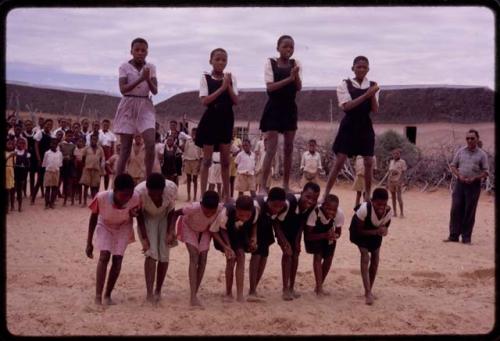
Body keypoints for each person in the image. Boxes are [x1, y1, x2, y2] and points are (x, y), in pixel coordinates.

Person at [323, 56, 380, 202]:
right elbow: (347, 107)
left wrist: (372, 95)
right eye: (358, 67)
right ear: (352, 68)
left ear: (368, 69)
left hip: (365, 125)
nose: (361, 69)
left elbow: (375, 110)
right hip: (349, 125)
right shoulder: (345, 84)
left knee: (368, 161)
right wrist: (367, 95)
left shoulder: (373, 85)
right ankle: (325, 194)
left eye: (364, 67)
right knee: (340, 160)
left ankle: (367, 195)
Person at [85, 173, 147, 305]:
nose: (127, 198)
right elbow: (93, 219)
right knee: (104, 256)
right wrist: (88, 242)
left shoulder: (135, 198)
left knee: (118, 259)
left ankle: (107, 295)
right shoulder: (101, 198)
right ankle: (98, 296)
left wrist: (145, 239)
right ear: (115, 190)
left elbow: (140, 217)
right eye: (124, 195)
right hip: (105, 224)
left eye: (129, 194)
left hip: (124, 225)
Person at [258, 35, 302, 194]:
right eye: (285, 47)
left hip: (290, 107)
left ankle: (285, 185)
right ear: (278, 48)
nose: (288, 50)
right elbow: (270, 88)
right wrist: (289, 78)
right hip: (274, 107)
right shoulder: (271, 63)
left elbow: (299, 87)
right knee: (271, 148)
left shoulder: (295, 64)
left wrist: (295, 76)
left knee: (289, 147)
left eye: (291, 47)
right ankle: (263, 186)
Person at [171, 190, 229, 307]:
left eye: (211, 212)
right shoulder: (193, 208)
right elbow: (176, 213)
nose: (208, 214)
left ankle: (195, 291)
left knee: (203, 260)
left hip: (206, 231)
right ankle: (193, 297)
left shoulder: (220, 208)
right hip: (189, 228)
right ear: (201, 205)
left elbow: (229, 205)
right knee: (194, 257)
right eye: (206, 211)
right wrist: (171, 231)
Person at [195, 48, 238, 203]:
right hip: (211, 118)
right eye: (217, 59)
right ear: (211, 61)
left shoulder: (230, 78)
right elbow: (205, 101)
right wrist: (222, 87)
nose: (221, 62)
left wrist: (228, 86)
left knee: (225, 161)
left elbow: (236, 100)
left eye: (224, 60)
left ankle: (227, 196)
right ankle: (203, 195)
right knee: (207, 160)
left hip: (226, 119)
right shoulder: (205, 77)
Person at [114, 37, 158, 179]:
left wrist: (147, 79)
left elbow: (155, 91)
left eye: (143, 50)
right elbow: (123, 89)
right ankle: (118, 182)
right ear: (131, 51)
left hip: (145, 105)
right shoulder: (124, 67)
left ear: (147, 52)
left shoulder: (151, 67)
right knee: (125, 149)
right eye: (137, 50)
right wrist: (140, 79)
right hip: (128, 105)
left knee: (151, 144)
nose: (140, 53)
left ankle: (148, 180)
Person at [135, 173, 178, 303]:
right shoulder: (139, 192)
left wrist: (170, 230)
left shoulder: (171, 188)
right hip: (147, 218)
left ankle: (158, 290)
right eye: (151, 193)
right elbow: (139, 216)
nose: (154, 196)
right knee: (151, 253)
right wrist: (144, 238)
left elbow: (171, 210)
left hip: (164, 217)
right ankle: (149, 293)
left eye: (157, 194)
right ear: (147, 189)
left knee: (164, 254)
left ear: (163, 190)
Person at [445, 129, 489, 244]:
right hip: (460, 184)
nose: (469, 140)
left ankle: (466, 238)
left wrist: (475, 178)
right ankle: (453, 236)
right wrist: (459, 176)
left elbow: (486, 172)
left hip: (473, 186)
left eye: (472, 138)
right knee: (455, 209)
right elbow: (453, 166)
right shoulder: (460, 152)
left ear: (477, 139)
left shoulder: (482, 155)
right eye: (467, 138)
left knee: (469, 211)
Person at [349, 188, 392, 305]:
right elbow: (358, 231)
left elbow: (385, 227)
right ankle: (367, 292)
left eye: (384, 204)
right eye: (378, 204)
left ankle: (369, 289)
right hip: (359, 232)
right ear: (372, 201)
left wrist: (384, 231)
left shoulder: (388, 212)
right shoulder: (364, 209)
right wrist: (376, 231)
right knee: (365, 257)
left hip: (375, 232)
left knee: (376, 258)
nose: (381, 207)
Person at [212, 195, 258, 302]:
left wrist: (254, 237)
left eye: (247, 215)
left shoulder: (255, 212)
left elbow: (254, 223)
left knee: (241, 257)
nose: (244, 218)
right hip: (224, 234)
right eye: (241, 214)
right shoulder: (226, 212)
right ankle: (228, 293)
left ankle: (240, 294)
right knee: (231, 259)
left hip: (240, 233)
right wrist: (227, 247)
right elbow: (218, 230)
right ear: (236, 209)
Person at [248, 187, 288, 301]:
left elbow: (275, 220)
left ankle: (254, 287)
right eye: (274, 206)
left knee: (264, 256)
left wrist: (282, 240)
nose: (277, 209)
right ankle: (251, 290)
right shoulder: (257, 205)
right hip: (253, 227)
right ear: (268, 201)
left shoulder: (282, 207)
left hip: (266, 228)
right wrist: (254, 237)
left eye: (280, 206)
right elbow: (253, 222)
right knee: (256, 256)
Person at [304, 194, 344, 296]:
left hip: (328, 236)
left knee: (328, 259)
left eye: (333, 210)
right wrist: (324, 235)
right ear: (323, 206)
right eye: (327, 208)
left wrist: (335, 235)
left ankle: (319, 285)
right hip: (315, 235)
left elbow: (339, 231)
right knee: (318, 257)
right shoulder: (315, 213)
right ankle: (319, 288)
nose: (331, 212)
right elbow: (308, 235)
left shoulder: (339, 214)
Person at [32, 119, 54, 203]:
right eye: (47, 124)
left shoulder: (51, 134)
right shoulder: (40, 133)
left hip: (49, 159)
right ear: (44, 124)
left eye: (50, 125)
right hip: (41, 158)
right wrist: (38, 159)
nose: (49, 126)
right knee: (39, 180)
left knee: (48, 180)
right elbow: (36, 146)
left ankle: (48, 199)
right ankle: (33, 198)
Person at [80, 134, 104, 206]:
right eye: (92, 139)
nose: (94, 141)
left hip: (96, 170)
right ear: (90, 140)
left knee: (94, 187)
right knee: (86, 186)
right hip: (87, 169)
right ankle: (84, 202)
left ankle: (94, 203)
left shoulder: (100, 149)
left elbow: (101, 159)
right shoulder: (86, 148)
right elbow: (83, 158)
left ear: (97, 140)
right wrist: (86, 165)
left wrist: (99, 167)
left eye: (95, 139)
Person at [182, 127, 203, 202]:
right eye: (192, 132)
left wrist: (200, 165)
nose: (194, 134)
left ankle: (194, 196)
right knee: (188, 179)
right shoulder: (188, 141)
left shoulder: (200, 141)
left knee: (195, 179)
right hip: (188, 161)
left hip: (196, 161)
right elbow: (185, 151)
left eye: (195, 132)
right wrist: (184, 162)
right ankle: (188, 196)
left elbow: (201, 154)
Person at [41, 138, 63, 209]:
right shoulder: (47, 153)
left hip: (56, 172)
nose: (53, 145)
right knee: (47, 188)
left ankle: (52, 203)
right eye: (52, 143)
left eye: (55, 144)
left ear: (57, 145)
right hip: (48, 172)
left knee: (54, 188)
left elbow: (60, 164)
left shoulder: (59, 153)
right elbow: (44, 164)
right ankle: (46, 203)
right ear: (50, 144)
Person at [387, 148, 407, 218]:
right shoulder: (391, 162)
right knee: (393, 197)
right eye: (394, 154)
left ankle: (402, 213)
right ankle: (395, 212)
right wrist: (388, 181)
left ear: (399, 154)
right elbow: (390, 172)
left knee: (399, 197)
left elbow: (403, 172)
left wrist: (400, 181)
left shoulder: (402, 162)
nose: (395, 155)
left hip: (398, 181)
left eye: (397, 153)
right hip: (391, 181)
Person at [59, 130, 76, 206]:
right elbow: (59, 154)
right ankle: (61, 197)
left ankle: (70, 198)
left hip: (70, 165)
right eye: (68, 135)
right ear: (65, 136)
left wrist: (71, 158)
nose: (69, 137)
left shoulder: (73, 146)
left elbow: (74, 155)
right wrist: (64, 157)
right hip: (63, 165)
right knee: (62, 182)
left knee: (70, 183)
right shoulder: (61, 144)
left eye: (71, 136)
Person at [14, 138, 30, 212]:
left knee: (20, 190)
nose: (22, 145)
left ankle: (20, 206)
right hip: (14, 173)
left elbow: (28, 164)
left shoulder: (27, 153)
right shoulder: (14, 152)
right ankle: (11, 205)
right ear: (16, 144)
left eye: (23, 143)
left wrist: (25, 166)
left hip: (22, 173)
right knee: (12, 189)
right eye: (20, 143)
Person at [22, 119, 37, 198]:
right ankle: (24, 192)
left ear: (32, 126)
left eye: (30, 125)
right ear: (25, 126)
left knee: (32, 176)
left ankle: (32, 192)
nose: (28, 126)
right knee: (24, 176)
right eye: (27, 125)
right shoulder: (23, 134)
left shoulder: (35, 134)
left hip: (33, 158)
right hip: (24, 157)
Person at [100, 119, 117, 190]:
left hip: (108, 154)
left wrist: (111, 158)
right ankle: (96, 190)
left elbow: (112, 147)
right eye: (104, 124)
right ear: (102, 124)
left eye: (107, 125)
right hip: (100, 152)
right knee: (99, 172)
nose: (105, 126)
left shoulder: (112, 135)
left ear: (109, 126)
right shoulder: (98, 132)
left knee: (107, 173)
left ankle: (106, 190)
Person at [73, 137, 86, 205]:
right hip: (77, 167)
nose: (80, 143)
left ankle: (81, 198)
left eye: (81, 141)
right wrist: (75, 166)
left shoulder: (85, 150)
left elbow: (84, 159)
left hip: (82, 167)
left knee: (81, 183)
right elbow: (75, 158)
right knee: (76, 182)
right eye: (79, 141)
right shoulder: (75, 149)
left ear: (84, 143)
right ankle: (76, 195)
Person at [5, 139, 16, 213]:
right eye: (8, 144)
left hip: (10, 171)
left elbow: (14, 164)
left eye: (11, 144)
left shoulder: (13, 154)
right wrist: (9, 156)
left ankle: (9, 207)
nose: (10, 145)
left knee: (9, 190)